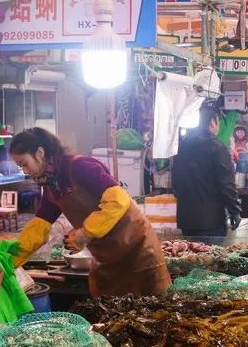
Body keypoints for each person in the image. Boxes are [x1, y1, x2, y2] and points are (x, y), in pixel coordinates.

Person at [10, 127, 171, 296]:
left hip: (138, 250)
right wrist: (10, 260)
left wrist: (85, 233)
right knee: (107, 310)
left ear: (40, 153)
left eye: (24, 164)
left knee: (153, 306)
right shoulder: (51, 185)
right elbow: (39, 226)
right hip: (106, 257)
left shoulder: (80, 166)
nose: (25, 171)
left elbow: (118, 200)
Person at [172, 107, 241, 239]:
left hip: (187, 221)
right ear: (212, 123)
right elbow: (226, 184)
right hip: (211, 222)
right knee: (211, 258)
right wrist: (235, 211)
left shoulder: (181, 147)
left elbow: (175, 183)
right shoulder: (217, 148)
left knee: (191, 257)